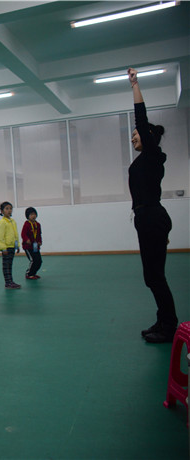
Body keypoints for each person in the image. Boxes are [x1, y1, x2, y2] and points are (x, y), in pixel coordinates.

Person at [127, 67, 178, 344]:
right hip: (147, 219)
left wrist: (135, 84)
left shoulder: (152, 155)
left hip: (151, 217)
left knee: (155, 276)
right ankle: (163, 320)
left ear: (147, 135)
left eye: (136, 133)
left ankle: (169, 326)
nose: (132, 137)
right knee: (152, 276)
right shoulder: (146, 160)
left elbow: (141, 116)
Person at [0, 202, 20, 289]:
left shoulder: (13, 221)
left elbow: (16, 234)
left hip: (12, 246)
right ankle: (8, 282)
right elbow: (0, 237)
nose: (9, 210)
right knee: (6, 266)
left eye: (10, 208)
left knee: (10, 265)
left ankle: (11, 281)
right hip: (6, 248)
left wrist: (17, 245)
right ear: (2, 211)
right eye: (7, 208)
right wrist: (3, 248)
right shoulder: (2, 222)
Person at [21, 207, 42, 280]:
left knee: (39, 261)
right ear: (27, 216)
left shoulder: (38, 224)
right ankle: (29, 273)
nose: (33, 216)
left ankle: (33, 273)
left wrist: (40, 241)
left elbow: (39, 234)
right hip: (28, 247)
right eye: (31, 214)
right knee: (33, 260)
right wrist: (26, 239)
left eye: (34, 214)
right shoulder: (26, 224)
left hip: (35, 246)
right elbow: (23, 234)